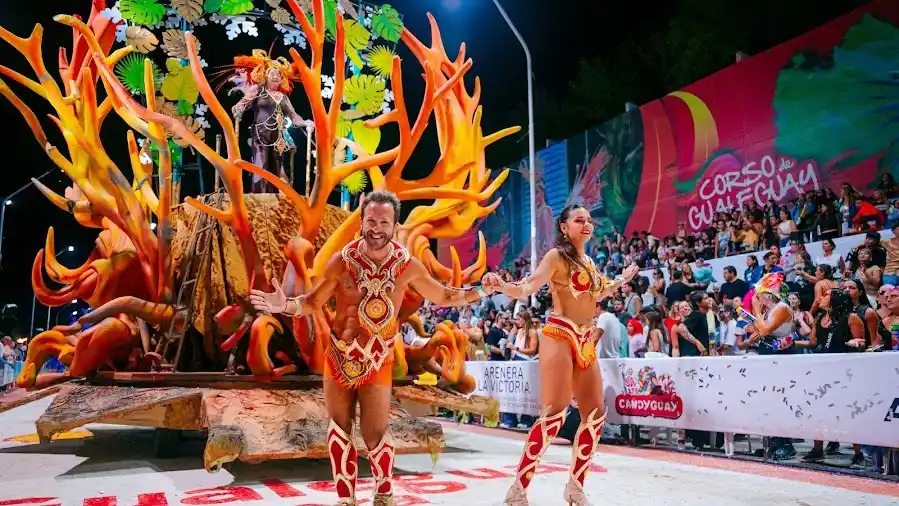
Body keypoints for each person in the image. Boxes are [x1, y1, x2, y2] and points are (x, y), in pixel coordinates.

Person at [249, 190, 495, 506]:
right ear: (362, 221)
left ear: (394, 226)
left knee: (375, 435)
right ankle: (345, 500)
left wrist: (479, 291)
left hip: (377, 359)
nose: (376, 228)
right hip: (338, 355)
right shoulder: (343, 260)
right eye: (370, 220)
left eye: (383, 222)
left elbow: (445, 296)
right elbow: (313, 302)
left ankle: (383, 494)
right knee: (338, 431)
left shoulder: (408, 266)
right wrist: (285, 305)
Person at [482, 204, 638, 506]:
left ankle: (575, 488)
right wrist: (502, 285)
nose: (587, 224)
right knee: (554, 414)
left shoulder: (590, 262)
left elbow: (601, 291)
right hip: (559, 334)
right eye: (579, 220)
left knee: (594, 415)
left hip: (585, 337)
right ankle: (518, 490)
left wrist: (623, 278)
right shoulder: (555, 257)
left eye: (589, 220)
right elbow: (528, 286)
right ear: (564, 227)